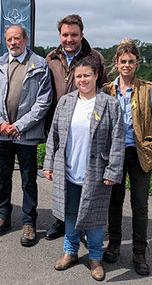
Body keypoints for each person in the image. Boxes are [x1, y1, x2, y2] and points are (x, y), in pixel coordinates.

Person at [43, 57, 124, 281]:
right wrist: (48, 163)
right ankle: (70, 252)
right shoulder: (66, 102)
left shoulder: (110, 104)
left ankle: (95, 258)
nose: (82, 80)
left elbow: (117, 141)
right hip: (69, 170)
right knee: (69, 214)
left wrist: (113, 171)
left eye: (87, 75)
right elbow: (54, 136)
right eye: (78, 76)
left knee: (95, 217)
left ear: (96, 76)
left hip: (96, 173)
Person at [102, 39, 152, 276]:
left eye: (131, 61)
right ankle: (114, 245)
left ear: (137, 64)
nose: (127, 65)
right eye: (123, 61)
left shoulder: (147, 89)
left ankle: (139, 251)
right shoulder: (107, 90)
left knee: (139, 204)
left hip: (140, 153)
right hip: (115, 154)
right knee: (114, 201)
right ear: (116, 63)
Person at [0, 25, 52, 247]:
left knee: (28, 181)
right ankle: (3, 216)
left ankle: (29, 222)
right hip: (2, 134)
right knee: (3, 178)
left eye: (17, 39)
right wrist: (0, 123)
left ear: (26, 39)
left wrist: (20, 125)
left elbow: (43, 101)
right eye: (9, 39)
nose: (13, 43)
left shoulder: (40, 65)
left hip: (26, 135)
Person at [44, 14, 108, 240]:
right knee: (63, 178)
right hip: (59, 126)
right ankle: (62, 222)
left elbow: (104, 92)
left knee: (86, 181)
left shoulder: (95, 58)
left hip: (87, 127)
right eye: (65, 34)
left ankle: (85, 226)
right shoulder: (50, 58)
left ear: (82, 35)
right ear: (59, 35)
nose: (69, 39)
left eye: (74, 35)